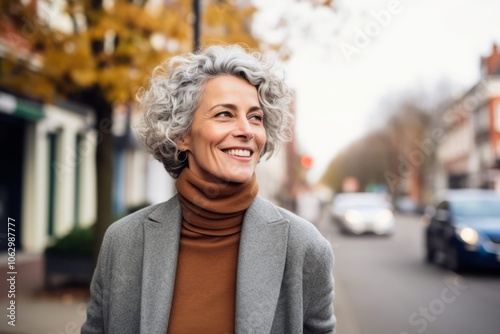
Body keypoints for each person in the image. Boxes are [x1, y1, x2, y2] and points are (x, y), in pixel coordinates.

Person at [81, 44, 336, 334]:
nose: (247, 130)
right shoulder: (123, 241)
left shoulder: (304, 246)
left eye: (255, 117)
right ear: (180, 134)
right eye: (225, 114)